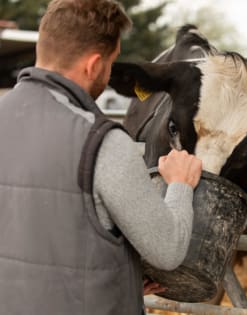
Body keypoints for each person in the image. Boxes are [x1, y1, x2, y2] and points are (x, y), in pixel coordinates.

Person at [0, 1, 202, 314]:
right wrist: (180, 184)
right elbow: (167, 250)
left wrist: (121, 280)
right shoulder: (102, 142)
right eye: (111, 62)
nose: (109, 74)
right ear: (94, 65)